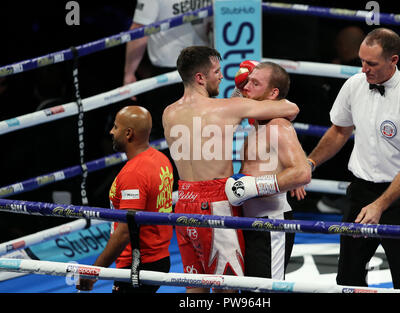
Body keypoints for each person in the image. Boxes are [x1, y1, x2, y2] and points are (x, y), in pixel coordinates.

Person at [162, 46, 299, 293]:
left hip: (183, 200)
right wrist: (248, 93)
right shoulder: (227, 108)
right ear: (200, 78)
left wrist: (238, 95)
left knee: (195, 286)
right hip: (216, 203)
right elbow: (290, 108)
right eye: (216, 72)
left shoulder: (169, 113)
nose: (222, 77)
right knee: (228, 287)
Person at [307, 28, 400, 291]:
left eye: (371, 63)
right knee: (347, 278)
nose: (364, 68)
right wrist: (309, 164)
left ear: (394, 60)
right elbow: (339, 131)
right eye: (362, 60)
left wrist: (380, 205)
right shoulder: (355, 84)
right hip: (362, 193)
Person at [76, 106, 174, 293]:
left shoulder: (134, 173)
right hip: (158, 257)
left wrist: (94, 271)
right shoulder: (161, 159)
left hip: (139, 264)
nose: (111, 132)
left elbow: (125, 231)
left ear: (128, 133)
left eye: (115, 127)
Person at [231, 61, 311, 281]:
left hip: (271, 223)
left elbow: (302, 173)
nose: (247, 87)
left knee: (265, 291)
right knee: (249, 290)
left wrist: (255, 186)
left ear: (273, 93)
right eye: (247, 81)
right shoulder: (256, 127)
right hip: (248, 220)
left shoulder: (278, 125)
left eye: (255, 83)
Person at [124, 0, 212, 140]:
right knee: (203, 130)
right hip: (205, 68)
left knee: (169, 134)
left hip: (171, 73)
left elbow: (139, 31)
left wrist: (129, 73)